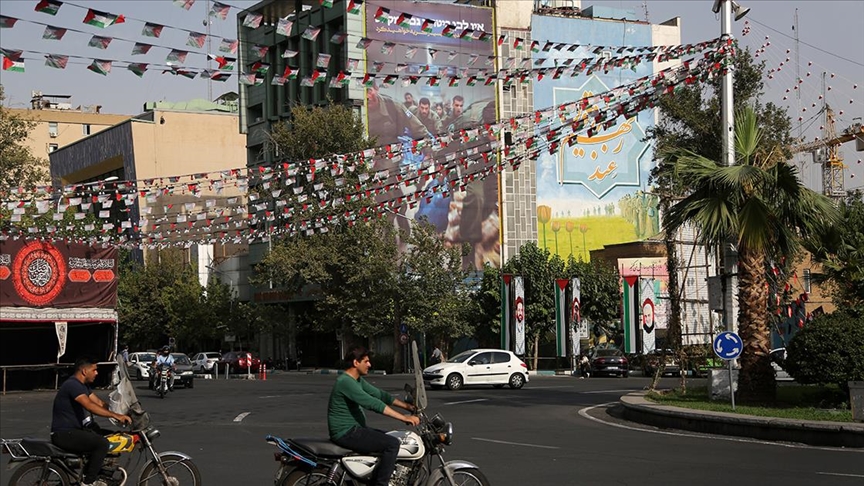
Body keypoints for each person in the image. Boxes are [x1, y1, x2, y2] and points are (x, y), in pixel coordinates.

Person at [328, 345, 419, 486]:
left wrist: (408, 407)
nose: (369, 365)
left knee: (392, 435)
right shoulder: (345, 382)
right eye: (366, 361)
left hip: (355, 429)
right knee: (392, 444)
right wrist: (404, 417)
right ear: (355, 363)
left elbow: (380, 395)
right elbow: (372, 403)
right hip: (346, 432)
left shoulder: (356, 380)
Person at [51, 357, 132, 486]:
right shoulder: (73, 385)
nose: (96, 373)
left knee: (111, 436)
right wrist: (115, 416)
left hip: (74, 431)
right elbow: (89, 406)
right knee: (102, 444)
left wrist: (123, 412)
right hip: (64, 433)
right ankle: (89, 482)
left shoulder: (82, 386)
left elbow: (99, 403)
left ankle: (100, 474)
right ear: (84, 371)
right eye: (94, 370)